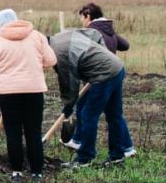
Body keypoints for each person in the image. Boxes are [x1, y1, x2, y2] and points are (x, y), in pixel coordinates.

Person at [0, 8, 57, 182]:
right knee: (33, 131)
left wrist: (5, 75)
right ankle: (36, 172)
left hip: (7, 92)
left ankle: (16, 171)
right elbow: (51, 60)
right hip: (34, 90)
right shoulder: (37, 36)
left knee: (13, 131)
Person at [50, 28, 135, 168]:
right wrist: (103, 54)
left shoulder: (58, 54)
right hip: (116, 66)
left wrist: (68, 106)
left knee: (88, 115)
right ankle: (117, 156)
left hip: (104, 74)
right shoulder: (62, 35)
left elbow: (69, 82)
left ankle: (85, 158)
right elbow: (95, 34)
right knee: (114, 115)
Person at [68, 2, 135, 157]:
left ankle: (84, 151)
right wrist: (113, 37)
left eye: (82, 18)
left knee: (87, 113)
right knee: (113, 113)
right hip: (113, 74)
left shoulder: (91, 31)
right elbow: (125, 45)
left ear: (88, 16)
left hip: (97, 78)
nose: (82, 22)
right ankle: (126, 148)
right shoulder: (108, 30)